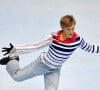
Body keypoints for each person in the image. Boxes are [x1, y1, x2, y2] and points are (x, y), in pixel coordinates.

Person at [0, 15, 99, 90]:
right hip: (41, 64)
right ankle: (12, 60)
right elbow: (35, 46)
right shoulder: (53, 38)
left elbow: (90, 48)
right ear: (63, 28)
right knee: (17, 77)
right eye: (68, 29)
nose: (71, 32)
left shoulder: (78, 40)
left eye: (73, 28)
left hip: (55, 70)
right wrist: (15, 49)